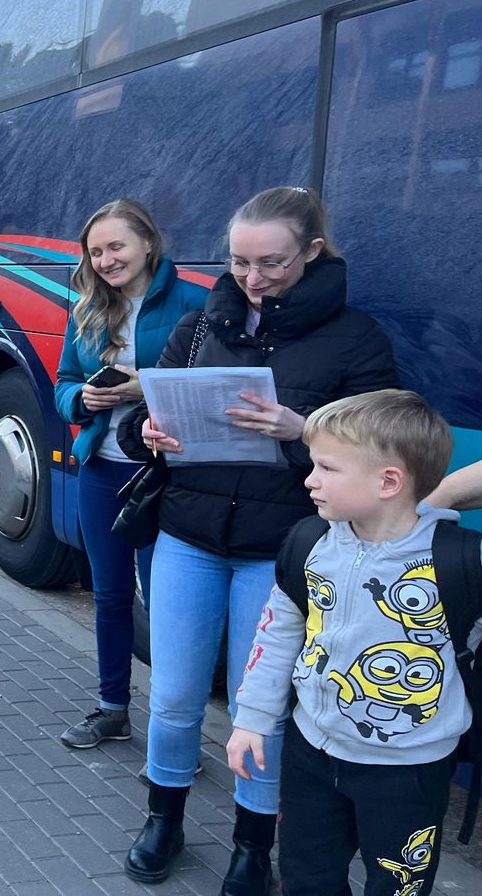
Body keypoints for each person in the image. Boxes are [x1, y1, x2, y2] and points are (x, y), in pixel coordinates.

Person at [116, 187, 401, 891]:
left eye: (271, 262)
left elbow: (386, 452)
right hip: (189, 532)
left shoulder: (357, 337)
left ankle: (253, 845)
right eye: (240, 261)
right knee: (176, 694)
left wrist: (300, 429)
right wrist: (146, 434)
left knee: (262, 703)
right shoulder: (201, 323)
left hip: (284, 546)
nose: (253, 277)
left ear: (311, 252)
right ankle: (164, 816)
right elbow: (142, 423)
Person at [229, 389, 474, 896]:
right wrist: (252, 718)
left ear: (388, 481)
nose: (309, 479)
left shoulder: (459, 561)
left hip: (409, 770)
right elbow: (277, 633)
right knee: (305, 877)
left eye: (326, 468)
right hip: (310, 752)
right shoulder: (310, 543)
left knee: (398, 887)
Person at [52, 199, 208, 749]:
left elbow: (221, 386)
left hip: (169, 475)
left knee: (169, 604)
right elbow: (63, 381)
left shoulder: (198, 301)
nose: (106, 260)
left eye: (115, 246)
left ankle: (174, 730)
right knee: (112, 595)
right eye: (95, 252)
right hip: (102, 469)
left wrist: (148, 386)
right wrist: (82, 397)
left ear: (147, 242)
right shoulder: (88, 307)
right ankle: (111, 708)